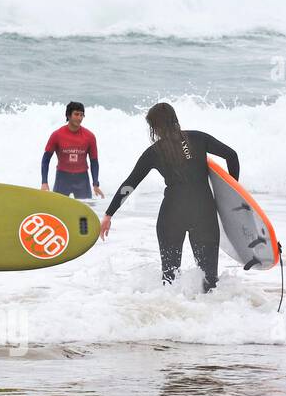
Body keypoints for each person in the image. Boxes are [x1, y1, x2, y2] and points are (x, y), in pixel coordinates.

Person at [100, 102, 239, 293]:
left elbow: (130, 184)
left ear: (155, 127)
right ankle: (208, 319)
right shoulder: (198, 138)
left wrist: (109, 214)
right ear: (174, 119)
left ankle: (170, 317)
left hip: (172, 215)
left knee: (169, 280)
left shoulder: (154, 152)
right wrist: (233, 193)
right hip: (204, 214)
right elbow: (232, 156)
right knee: (210, 284)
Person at [41, 101, 103, 200]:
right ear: (68, 115)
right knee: (57, 210)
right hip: (62, 178)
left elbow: (94, 161)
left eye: (82, 115)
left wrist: (95, 184)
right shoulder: (57, 135)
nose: (79, 118)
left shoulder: (89, 136)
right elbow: (46, 159)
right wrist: (44, 182)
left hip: (82, 179)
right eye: (76, 114)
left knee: (85, 211)